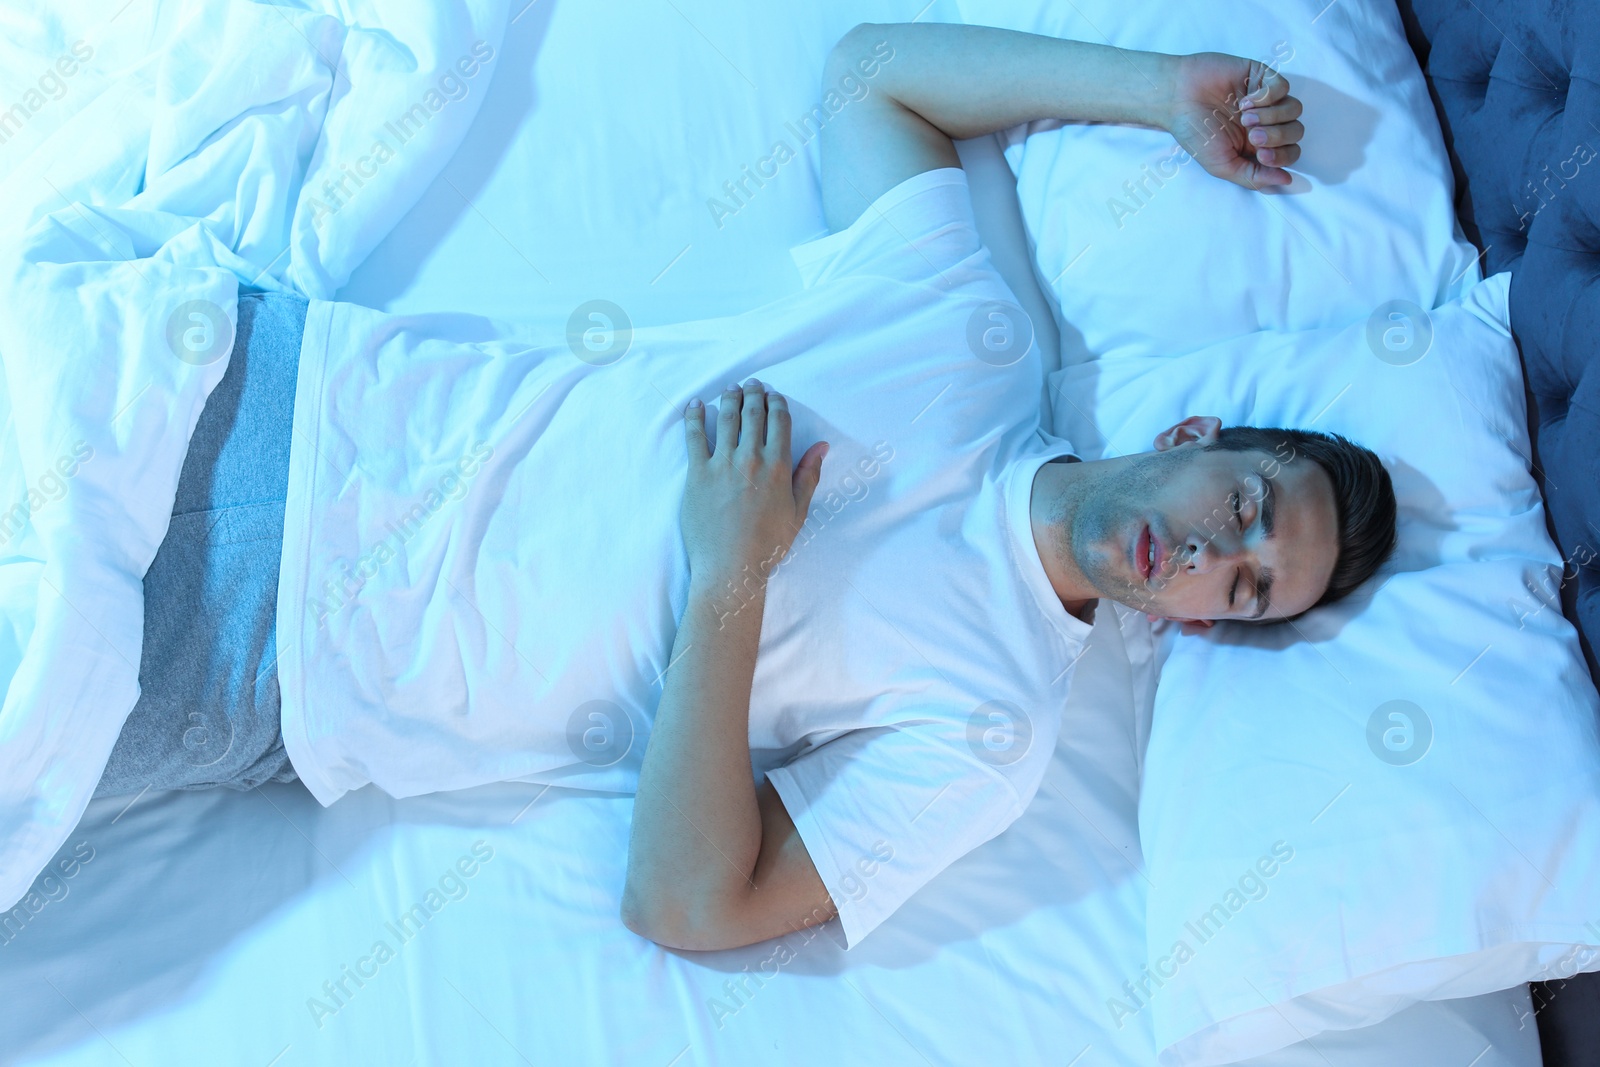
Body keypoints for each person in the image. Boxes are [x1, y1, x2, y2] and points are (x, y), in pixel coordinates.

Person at [95, 22, 1395, 954]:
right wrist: (1163, 88)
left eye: (1249, 592)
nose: (1217, 562)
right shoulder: (973, 338)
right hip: (285, 391)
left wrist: (732, 576)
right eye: (1245, 512)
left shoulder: (990, 731)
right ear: (1194, 432)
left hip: (283, 660)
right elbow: (874, 77)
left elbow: (688, 905)